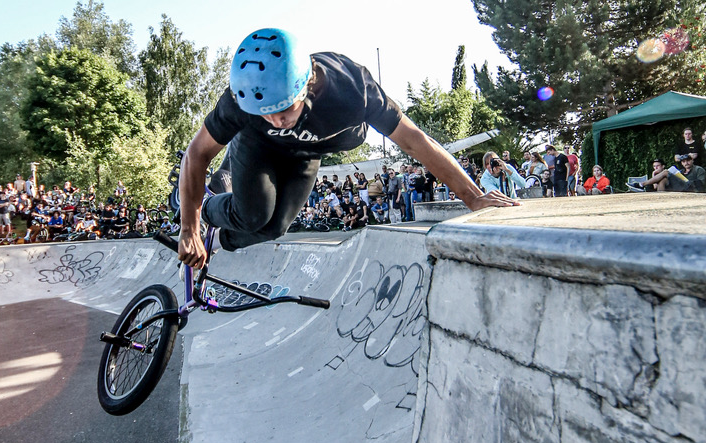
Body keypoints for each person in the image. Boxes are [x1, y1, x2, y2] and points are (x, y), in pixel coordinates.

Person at [175, 28, 517, 265]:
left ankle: (217, 242)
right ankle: (207, 208)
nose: (276, 120)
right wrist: (190, 225)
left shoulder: (353, 88)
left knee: (275, 226)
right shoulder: (239, 99)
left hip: (307, 153)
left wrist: (473, 196)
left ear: (307, 85)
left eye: (284, 110)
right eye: (266, 114)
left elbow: (416, 142)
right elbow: (197, 153)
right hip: (257, 147)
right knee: (254, 214)